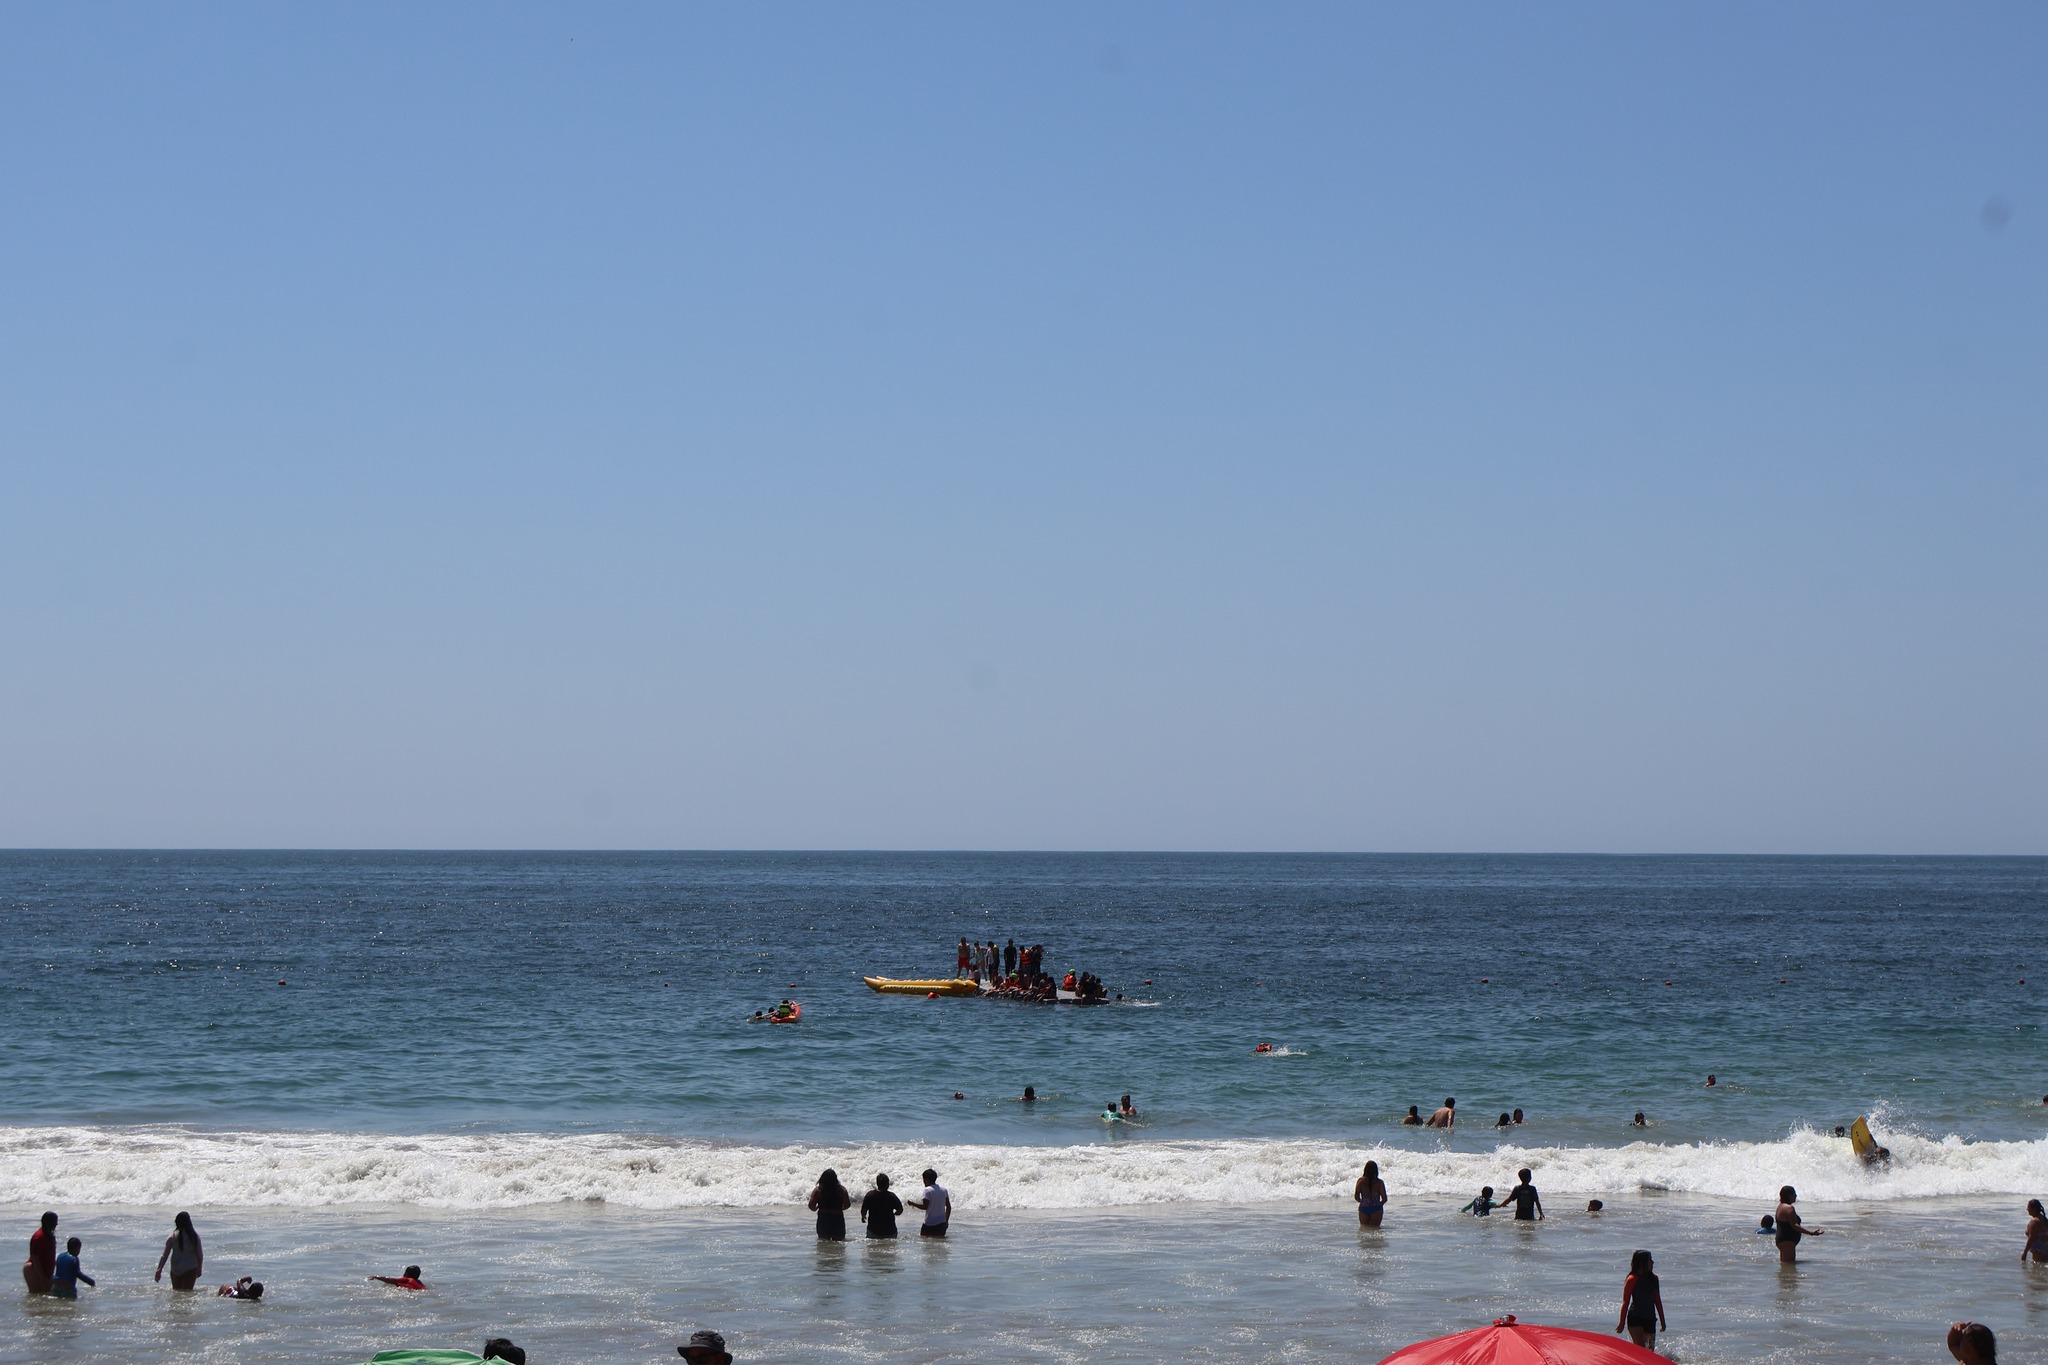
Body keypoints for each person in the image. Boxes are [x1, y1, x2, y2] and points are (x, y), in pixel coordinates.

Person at [1615, 1249, 1666, 1348]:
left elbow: (1657, 1301)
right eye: (1649, 1260)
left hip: (1650, 1319)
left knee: (1650, 1351)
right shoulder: (1632, 1279)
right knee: (1641, 1349)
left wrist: (1662, 1321)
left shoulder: (1654, 1279)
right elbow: (1625, 1302)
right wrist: (1622, 1323)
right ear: (1642, 1263)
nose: (1652, 1262)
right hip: (1635, 1319)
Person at [1774, 1184, 1823, 1263]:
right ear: (1789, 1196)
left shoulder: (1780, 1206)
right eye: (1794, 1194)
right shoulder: (1789, 1208)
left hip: (1783, 1240)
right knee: (1789, 1267)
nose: (1796, 1195)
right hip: (1787, 1241)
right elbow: (1795, 1225)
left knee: (1785, 1266)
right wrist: (1811, 1233)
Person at [155, 1211, 203, 1290]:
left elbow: (165, 1255)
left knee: (177, 1293)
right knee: (187, 1293)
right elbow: (200, 1254)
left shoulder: (172, 1236)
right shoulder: (194, 1236)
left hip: (176, 1268)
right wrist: (199, 1268)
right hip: (191, 1267)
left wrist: (159, 1270)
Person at [808, 1168, 852, 1240]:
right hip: (837, 1218)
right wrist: (842, 1208)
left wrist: (815, 1208)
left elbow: (811, 1206)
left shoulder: (818, 1190)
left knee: (823, 1244)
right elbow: (847, 1205)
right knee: (839, 1244)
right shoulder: (841, 1190)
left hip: (823, 1218)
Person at [909, 1168, 950, 1238]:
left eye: (924, 1179)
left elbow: (925, 1207)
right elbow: (948, 1207)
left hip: (930, 1224)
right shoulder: (944, 1189)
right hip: (942, 1224)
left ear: (926, 1179)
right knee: (939, 1246)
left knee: (926, 1245)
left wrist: (913, 1204)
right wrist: (946, 1220)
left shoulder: (927, 1190)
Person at [23, 1211, 57, 1293]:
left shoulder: (48, 1235)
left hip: (42, 1270)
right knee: (37, 1297)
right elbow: (35, 1258)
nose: (56, 1225)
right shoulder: (39, 1237)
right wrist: (42, 1277)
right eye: (55, 1223)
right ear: (49, 1223)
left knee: (43, 1297)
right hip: (34, 1269)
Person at [860, 1173, 902, 1239]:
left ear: (877, 1183)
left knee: (873, 1248)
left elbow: (863, 1210)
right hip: (890, 1230)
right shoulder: (891, 1196)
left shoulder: (870, 1195)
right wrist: (895, 1213)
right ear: (887, 1184)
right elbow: (900, 1210)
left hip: (873, 1230)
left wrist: (863, 1216)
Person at [1354, 1161, 1387, 1228]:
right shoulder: (1379, 1183)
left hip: (1364, 1208)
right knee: (1375, 1231)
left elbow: (1356, 1197)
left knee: (1365, 1231)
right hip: (1376, 1209)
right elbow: (1384, 1199)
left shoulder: (1360, 1181)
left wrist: (1363, 1201)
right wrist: (1379, 1204)